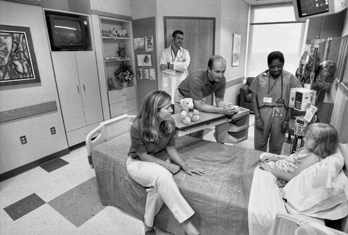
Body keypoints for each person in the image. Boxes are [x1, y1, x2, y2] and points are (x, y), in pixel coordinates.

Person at [126, 90, 204, 235]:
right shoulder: (137, 126)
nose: (171, 110)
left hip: (160, 159)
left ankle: (148, 226)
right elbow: (143, 156)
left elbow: (170, 147)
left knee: (157, 189)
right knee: (162, 175)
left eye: (170, 106)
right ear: (154, 111)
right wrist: (168, 165)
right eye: (167, 107)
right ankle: (187, 225)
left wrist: (184, 166)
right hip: (138, 162)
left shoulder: (169, 122)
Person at [250, 51, 302, 154]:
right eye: (272, 66)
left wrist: (287, 121)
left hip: (281, 113)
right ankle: (258, 163)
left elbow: (293, 101)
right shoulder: (260, 77)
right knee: (260, 142)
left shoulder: (290, 78)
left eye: (279, 66)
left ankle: (272, 166)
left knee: (276, 144)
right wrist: (257, 117)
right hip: (263, 113)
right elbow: (253, 98)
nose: (276, 69)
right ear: (268, 65)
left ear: (283, 64)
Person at [174, 55, 237, 139]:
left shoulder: (221, 80)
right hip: (183, 98)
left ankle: (196, 147)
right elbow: (200, 106)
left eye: (223, 71)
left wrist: (226, 108)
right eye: (217, 71)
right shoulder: (196, 79)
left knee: (199, 126)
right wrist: (222, 110)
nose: (221, 75)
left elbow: (219, 100)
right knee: (184, 127)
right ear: (209, 70)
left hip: (198, 98)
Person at [259, 123, 339, 187]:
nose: (304, 139)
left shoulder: (313, 158)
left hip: (278, 175)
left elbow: (291, 177)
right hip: (275, 167)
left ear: (320, 142)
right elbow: (292, 159)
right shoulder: (307, 149)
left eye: (307, 138)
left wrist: (269, 169)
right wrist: (273, 158)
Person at [159, 30, 190, 104]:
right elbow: (162, 67)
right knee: (168, 103)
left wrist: (169, 65)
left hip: (181, 80)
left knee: (182, 103)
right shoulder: (165, 52)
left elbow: (184, 66)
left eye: (182, 39)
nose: (180, 40)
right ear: (173, 39)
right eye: (178, 38)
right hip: (169, 81)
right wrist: (177, 68)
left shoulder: (185, 52)